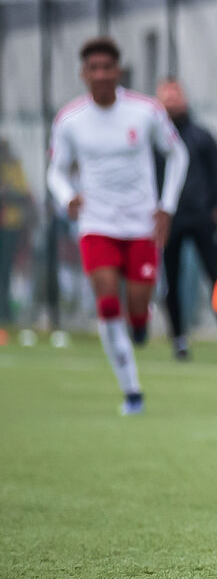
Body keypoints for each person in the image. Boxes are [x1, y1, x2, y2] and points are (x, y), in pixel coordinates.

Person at [47, 37, 189, 415]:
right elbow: (56, 171)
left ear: (118, 71)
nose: (100, 75)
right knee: (108, 302)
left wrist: (166, 206)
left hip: (140, 223)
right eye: (93, 69)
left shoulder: (145, 111)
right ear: (84, 74)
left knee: (137, 305)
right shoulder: (70, 120)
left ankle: (141, 322)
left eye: (107, 68)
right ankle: (132, 392)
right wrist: (67, 198)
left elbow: (177, 154)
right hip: (96, 223)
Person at [155, 77, 217, 360]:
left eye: (175, 95)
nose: (171, 101)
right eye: (165, 97)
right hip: (170, 221)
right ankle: (178, 338)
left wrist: (216, 205)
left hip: (202, 218)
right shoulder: (155, 141)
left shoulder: (202, 136)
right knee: (172, 281)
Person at [0, 137, 34, 324]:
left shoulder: (14, 167)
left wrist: (7, 194)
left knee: (5, 270)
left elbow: (22, 194)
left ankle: (5, 312)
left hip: (9, 227)